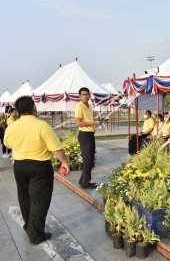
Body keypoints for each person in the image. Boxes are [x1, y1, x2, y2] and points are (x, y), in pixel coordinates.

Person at [4, 96, 70, 244]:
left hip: (19, 166)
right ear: (33, 107)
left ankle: (29, 227)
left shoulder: (12, 126)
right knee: (39, 200)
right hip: (39, 166)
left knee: (24, 197)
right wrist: (64, 162)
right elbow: (56, 148)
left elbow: (7, 143)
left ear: (18, 110)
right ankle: (36, 235)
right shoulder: (41, 125)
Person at [75, 87, 101, 189]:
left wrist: (96, 121)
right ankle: (85, 182)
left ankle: (83, 180)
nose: (85, 96)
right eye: (83, 94)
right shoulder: (79, 107)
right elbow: (78, 123)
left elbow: (89, 120)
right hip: (84, 135)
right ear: (80, 96)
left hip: (90, 134)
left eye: (87, 94)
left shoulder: (89, 106)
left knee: (89, 159)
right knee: (88, 159)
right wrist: (93, 123)